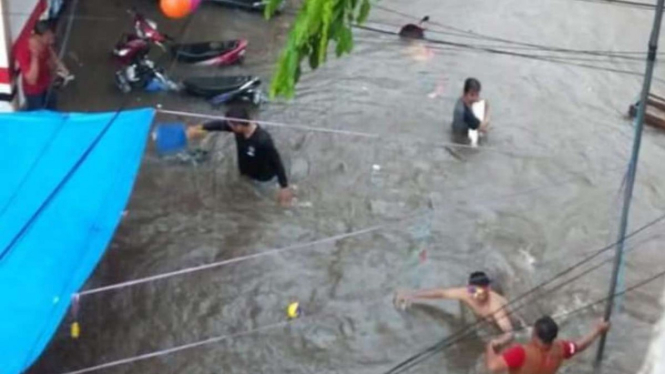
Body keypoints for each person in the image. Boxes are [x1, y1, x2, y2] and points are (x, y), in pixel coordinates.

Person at [187, 107, 294, 206]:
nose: (228, 126)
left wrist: (284, 187)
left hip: (264, 180)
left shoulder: (263, 140)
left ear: (239, 125)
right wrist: (200, 128)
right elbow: (219, 125)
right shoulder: (238, 129)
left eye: (230, 124)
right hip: (246, 174)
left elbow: (277, 161)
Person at [394, 271, 515, 347]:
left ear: (487, 289)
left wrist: (497, 341)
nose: (475, 295)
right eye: (472, 290)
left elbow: (509, 331)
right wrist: (411, 295)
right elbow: (441, 293)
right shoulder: (467, 293)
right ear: (469, 287)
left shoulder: (495, 307)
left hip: (503, 317)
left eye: (480, 292)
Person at [485, 316, 610, 374]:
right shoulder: (562, 348)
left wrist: (491, 345)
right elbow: (579, 346)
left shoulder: (520, 353)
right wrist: (598, 330)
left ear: (534, 333)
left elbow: (493, 366)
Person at [16, 20, 69, 110]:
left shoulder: (44, 43)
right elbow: (32, 80)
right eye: (51, 35)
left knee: (52, 110)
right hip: (35, 93)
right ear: (45, 35)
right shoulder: (24, 50)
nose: (53, 37)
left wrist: (60, 66)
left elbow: (50, 51)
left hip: (47, 84)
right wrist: (35, 56)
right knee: (39, 116)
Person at [451, 78, 491, 144]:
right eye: (472, 95)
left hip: (455, 132)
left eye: (477, 95)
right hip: (461, 141)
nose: (475, 98)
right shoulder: (465, 113)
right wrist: (487, 109)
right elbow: (482, 127)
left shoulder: (460, 101)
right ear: (464, 93)